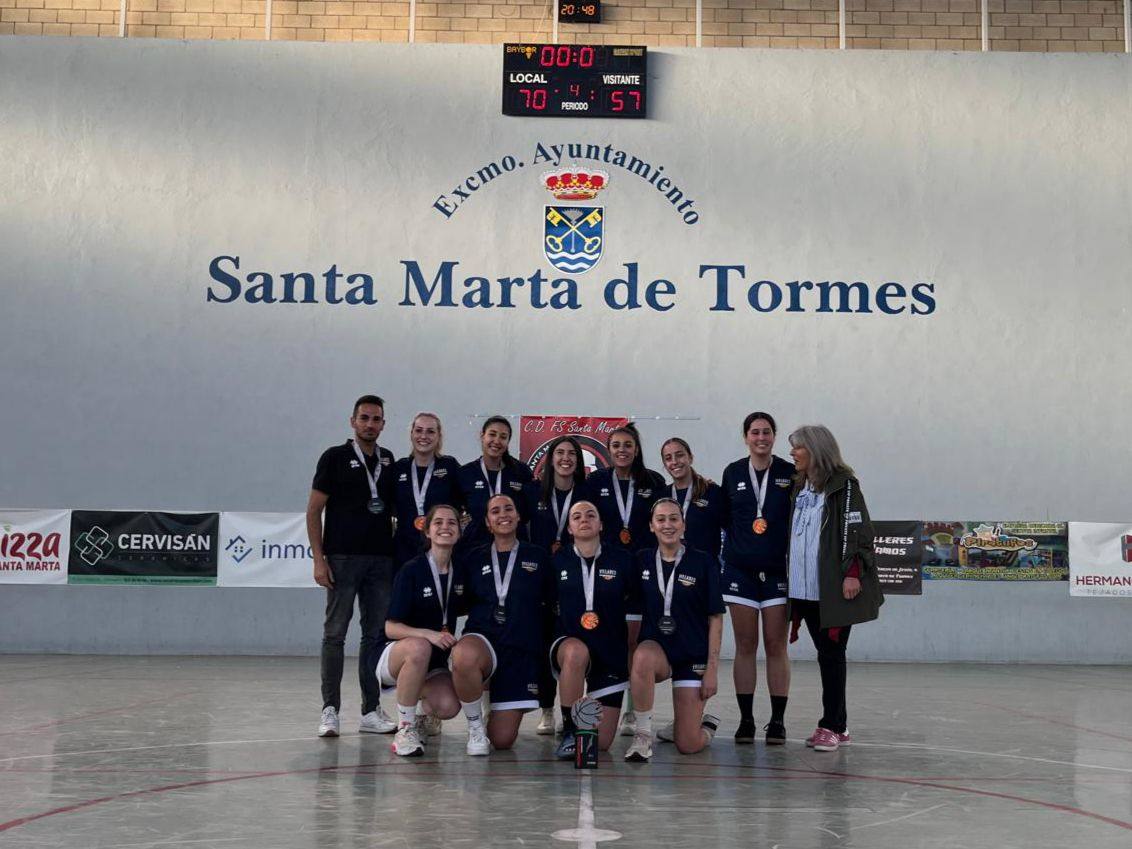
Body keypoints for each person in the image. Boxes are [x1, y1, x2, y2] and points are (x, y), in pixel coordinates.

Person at [787, 425, 883, 752]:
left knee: (831, 655)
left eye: (797, 448)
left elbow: (859, 533)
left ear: (815, 450)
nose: (792, 454)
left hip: (834, 589)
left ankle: (833, 725)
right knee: (826, 655)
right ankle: (835, 725)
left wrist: (852, 574)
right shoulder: (800, 487)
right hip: (805, 588)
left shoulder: (845, 486)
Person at [307, 394, 398, 738]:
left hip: (381, 561)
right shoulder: (334, 457)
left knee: (374, 636)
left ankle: (370, 710)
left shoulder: (389, 461)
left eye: (376, 419)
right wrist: (319, 558)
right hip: (342, 560)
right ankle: (329, 710)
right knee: (335, 635)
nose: (370, 424)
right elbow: (314, 510)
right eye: (364, 418)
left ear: (383, 424)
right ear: (353, 421)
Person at [449, 493, 553, 755]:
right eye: (495, 511)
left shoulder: (538, 556)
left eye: (509, 509)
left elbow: (552, 603)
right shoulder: (473, 558)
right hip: (484, 638)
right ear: (487, 522)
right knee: (463, 655)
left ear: (518, 517)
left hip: (520, 649)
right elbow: (458, 602)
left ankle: (492, 717)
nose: (503, 514)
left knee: (503, 740)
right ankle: (474, 728)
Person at [624, 498, 724, 762]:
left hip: (692, 655)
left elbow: (716, 618)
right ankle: (643, 736)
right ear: (651, 526)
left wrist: (712, 669)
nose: (667, 525)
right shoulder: (642, 560)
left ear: (683, 524)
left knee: (688, 744)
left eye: (673, 519)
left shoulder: (704, 562)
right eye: (661, 519)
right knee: (642, 657)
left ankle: (705, 725)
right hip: (658, 651)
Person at [720, 412, 795, 745]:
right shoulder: (733, 472)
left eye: (766, 432)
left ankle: (777, 721)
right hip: (740, 573)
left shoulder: (789, 473)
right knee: (745, 645)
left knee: (776, 646)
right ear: (745, 436)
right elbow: (724, 519)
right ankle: (747, 720)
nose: (760, 438)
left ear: (774, 436)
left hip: (777, 573)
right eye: (754, 432)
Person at [586, 422, 664, 735]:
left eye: (627, 445)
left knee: (634, 641)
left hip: (641, 572)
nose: (621, 450)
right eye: (616, 445)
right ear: (609, 449)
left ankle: (633, 710)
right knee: (605, 638)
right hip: (607, 571)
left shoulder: (653, 481)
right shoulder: (596, 481)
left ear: (636, 449)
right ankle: (594, 704)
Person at [549, 500, 637, 759]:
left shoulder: (622, 560)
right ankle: (569, 729)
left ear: (601, 524)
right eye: (577, 517)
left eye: (590, 515)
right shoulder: (557, 561)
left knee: (598, 745)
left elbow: (634, 610)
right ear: (569, 528)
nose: (584, 520)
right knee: (576, 652)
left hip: (610, 652)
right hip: (570, 645)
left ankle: (581, 729)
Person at [377, 504, 464, 756]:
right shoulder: (412, 570)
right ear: (427, 531)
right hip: (396, 655)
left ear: (459, 531)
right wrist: (429, 634)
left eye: (452, 523)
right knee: (419, 646)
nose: (445, 527)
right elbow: (390, 627)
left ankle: (424, 719)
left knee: (448, 706)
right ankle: (405, 727)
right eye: (438, 523)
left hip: (433, 663)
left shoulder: (461, 572)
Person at [526, 435, 591, 735]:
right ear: (550, 459)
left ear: (578, 461)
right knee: (541, 642)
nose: (566, 458)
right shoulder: (533, 493)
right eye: (560, 453)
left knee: (574, 642)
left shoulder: (588, 493)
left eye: (572, 454)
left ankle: (576, 709)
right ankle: (547, 709)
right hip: (540, 577)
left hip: (576, 575)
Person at [391, 412, 463, 569]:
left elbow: (465, 503)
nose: (424, 436)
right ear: (411, 434)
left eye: (430, 431)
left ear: (438, 436)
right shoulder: (398, 468)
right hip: (404, 550)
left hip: (442, 550)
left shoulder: (449, 466)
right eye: (418, 430)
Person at [456, 416, 533, 555]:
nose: (497, 441)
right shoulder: (465, 474)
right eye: (492, 434)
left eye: (503, 437)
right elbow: (456, 510)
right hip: (475, 548)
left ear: (508, 442)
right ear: (482, 436)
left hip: (515, 549)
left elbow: (528, 513)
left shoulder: (521, 472)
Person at [660, 437, 727, 560]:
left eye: (679, 455)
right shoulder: (663, 496)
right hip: (673, 569)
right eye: (668, 458)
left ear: (690, 458)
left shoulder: (712, 492)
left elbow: (730, 530)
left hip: (706, 571)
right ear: (665, 464)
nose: (674, 462)